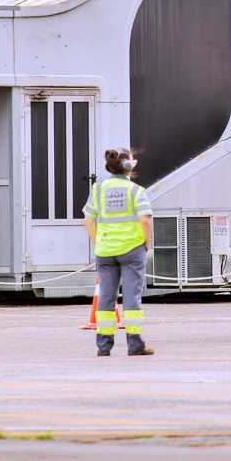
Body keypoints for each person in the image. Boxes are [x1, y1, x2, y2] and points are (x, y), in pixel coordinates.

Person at [83, 148, 155, 357]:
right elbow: (145, 220)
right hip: (132, 249)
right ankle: (135, 344)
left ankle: (104, 346)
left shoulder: (98, 189)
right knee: (132, 296)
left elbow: (88, 219)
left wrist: (98, 241)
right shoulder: (136, 191)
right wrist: (147, 243)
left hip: (105, 251)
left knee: (106, 297)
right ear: (128, 166)